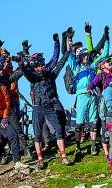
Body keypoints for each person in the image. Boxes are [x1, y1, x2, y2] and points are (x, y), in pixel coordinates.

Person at [11, 33, 73, 166]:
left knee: (59, 130)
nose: (43, 66)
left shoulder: (51, 75)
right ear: (35, 66)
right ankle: (40, 160)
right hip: (37, 107)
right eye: (40, 64)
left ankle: (64, 157)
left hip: (49, 106)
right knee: (37, 134)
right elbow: (26, 70)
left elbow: (60, 62)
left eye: (43, 64)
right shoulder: (33, 77)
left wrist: (68, 50)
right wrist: (21, 62)